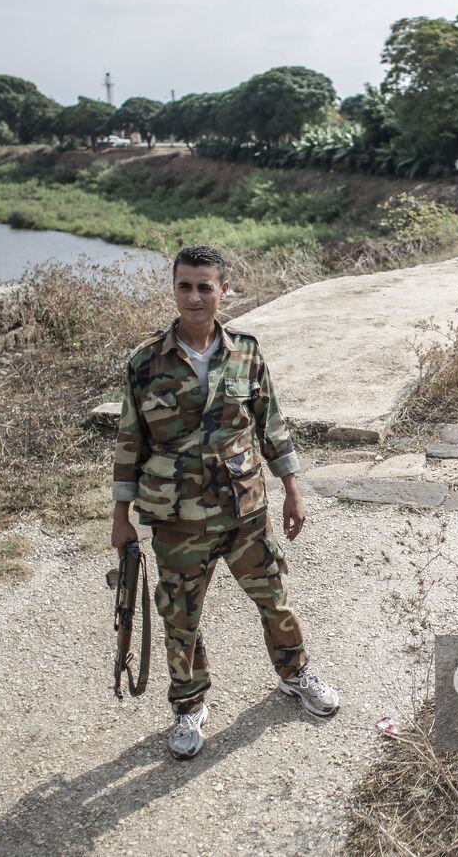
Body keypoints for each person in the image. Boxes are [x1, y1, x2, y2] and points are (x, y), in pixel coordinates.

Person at [111, 244, 339, 760]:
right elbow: (129, 442)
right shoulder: (145, 364)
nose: (194, 296)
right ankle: (189, 706)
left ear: (223, 291)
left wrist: (293, 489)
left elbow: (271, 426)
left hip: (245, 512)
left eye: (204, 286)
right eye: (184, 286)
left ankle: (296, 674)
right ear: (174, 290)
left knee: (274, 599)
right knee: (180, 617)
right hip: (176, 519)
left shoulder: (247, 352)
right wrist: (120, 516)